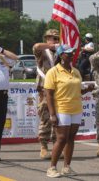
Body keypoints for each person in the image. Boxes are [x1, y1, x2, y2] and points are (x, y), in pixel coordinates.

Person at [44, 44, 94, 178]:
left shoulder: (75, 71)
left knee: (71, 138)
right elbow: (48, 94)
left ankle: (66, 166)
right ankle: (52, 168)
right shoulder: (53, 72)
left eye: (72, 52)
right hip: (61, 109)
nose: (71, 55)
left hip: (76, 109)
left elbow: (77, 91)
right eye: (68, 53)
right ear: (61, 55)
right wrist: (52, 114)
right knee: (61, 138)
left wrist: (87, 90)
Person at [33, 29, 61, 159]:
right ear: (47, 39)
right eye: (52, 38)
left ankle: (57, 146)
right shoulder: (42, 51)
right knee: (45, 117)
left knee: (58, 119)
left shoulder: (61, 52)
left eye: (56, 39)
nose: (55, 41)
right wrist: (51, 46)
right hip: (44, 90)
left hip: (59, 89)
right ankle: (43, 147)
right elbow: (36, 46)